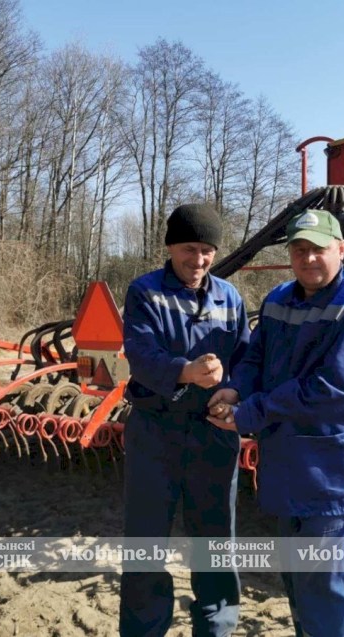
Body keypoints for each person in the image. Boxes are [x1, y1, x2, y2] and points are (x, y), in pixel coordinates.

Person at [207, 208, 344, 637]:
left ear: (341, 249)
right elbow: (256, 357)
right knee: (296, 575)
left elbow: (330, 388)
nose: (308, 259)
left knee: (325, 582)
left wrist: (249, 414)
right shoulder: (278, 300)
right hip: (286, 461)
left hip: (333, 470)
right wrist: (235, 389)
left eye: (318, 250)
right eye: (299, 249)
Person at [119, 203, 250, 637]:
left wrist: (233, 392)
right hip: (155, 432)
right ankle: (143, 629)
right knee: (145, 539)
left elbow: (247, 358)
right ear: (170, 246)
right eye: (190, 249)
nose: (198, 260)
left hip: (213, 434)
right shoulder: (145, 292)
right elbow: (140, 355)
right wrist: (185, 371)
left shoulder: (229, 297)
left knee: (214, 540)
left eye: (207, 250)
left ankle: (216, 626)